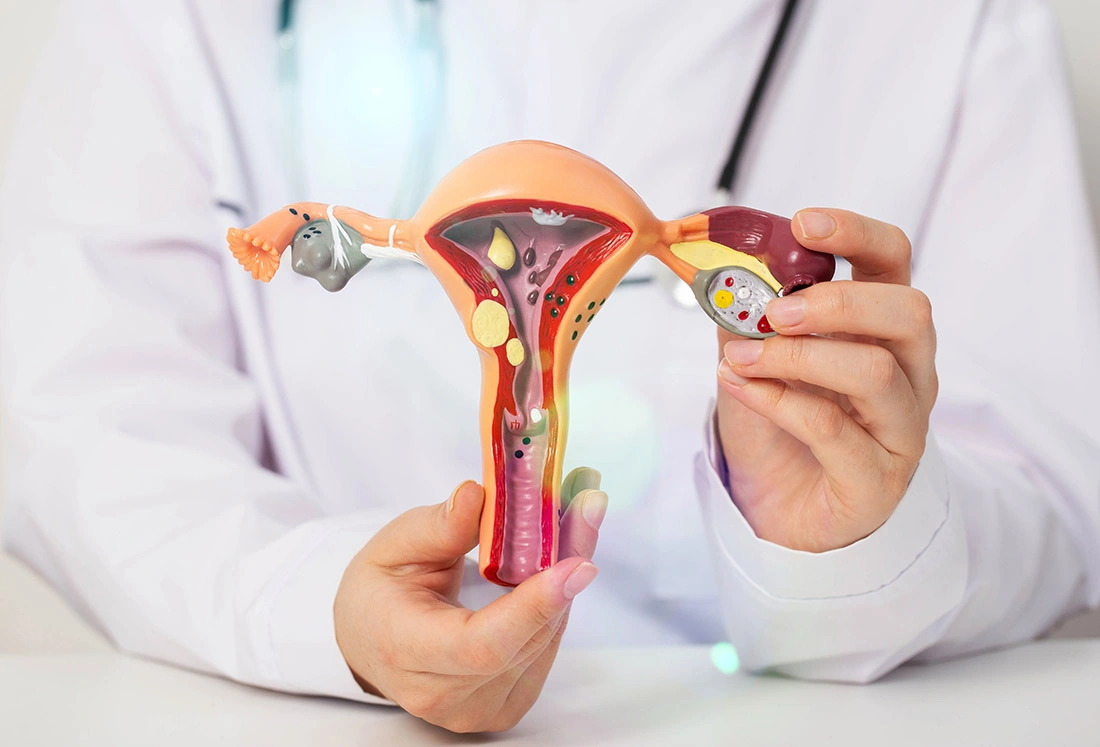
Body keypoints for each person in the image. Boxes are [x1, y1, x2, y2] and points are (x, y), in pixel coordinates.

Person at [2, 0, 1098, 734]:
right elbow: (82, 425)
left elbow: (1056, 484)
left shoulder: (948, 25)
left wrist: (861, 542)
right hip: (318, 721)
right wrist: (317, 605)